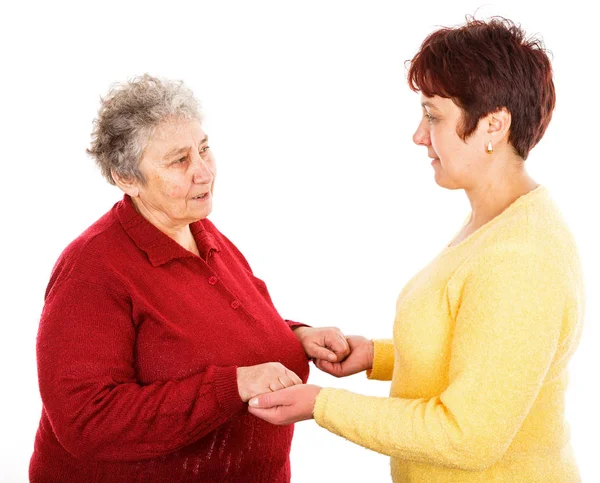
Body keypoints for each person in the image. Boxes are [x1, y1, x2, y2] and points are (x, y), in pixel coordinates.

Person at [248, 17, 584, 482]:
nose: (419, 135)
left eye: (433, 116)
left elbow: (466, 434)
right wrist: (377, 357)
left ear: (494, 125)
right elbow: (477, 348)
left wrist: (322, 406)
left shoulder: (521, 258)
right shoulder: (496, 222)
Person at [29, 74, 350, 482]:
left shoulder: (200, 231)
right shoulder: (92, 269)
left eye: (204, 149)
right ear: (127, 178)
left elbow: (212, 330)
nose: (203, 172)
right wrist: (232, 385)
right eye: (179, 160)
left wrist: (296, 337)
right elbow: (85, 421)